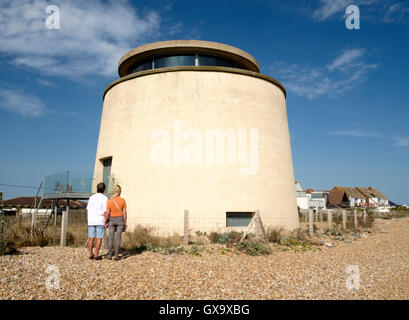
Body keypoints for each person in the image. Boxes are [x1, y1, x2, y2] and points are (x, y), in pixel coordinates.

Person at [105, 185, 127, 261]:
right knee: (118, 238)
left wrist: (106, 221)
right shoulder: (123, 200)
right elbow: (124, 213)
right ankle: (116, 256)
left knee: (111, 238)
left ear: (113, 191)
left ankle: (110, 255)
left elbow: (107, 213)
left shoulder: (109, 201)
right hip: (120, 220)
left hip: (111, 220)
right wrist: (125, 222)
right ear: (120, 192)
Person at [87, 182, 108, 260]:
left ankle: (90, 254)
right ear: (104, 189)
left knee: (91, 238)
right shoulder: (105, 198)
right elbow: (105, 211)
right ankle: (96, 255)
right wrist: (106, 221)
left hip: (91, 220)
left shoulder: (91, 197)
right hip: (100, 220)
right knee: (99, 238)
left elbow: (88, 209)